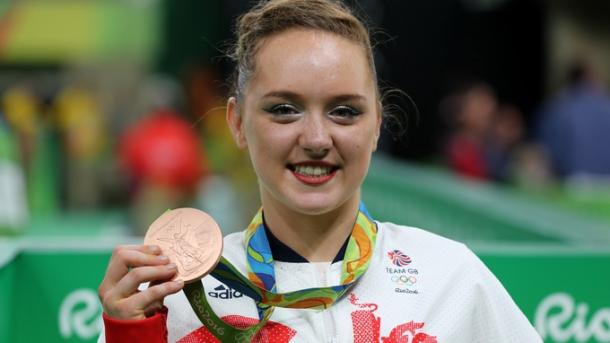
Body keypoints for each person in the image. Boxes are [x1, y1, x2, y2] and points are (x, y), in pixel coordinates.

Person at [97, 1, 542, 342]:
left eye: (344, 111)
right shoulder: (175, 296)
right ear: (237, 123)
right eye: (285, 110)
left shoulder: (451, 278)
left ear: (376, 127)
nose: (315, 138)